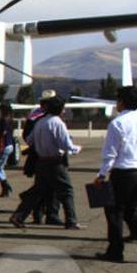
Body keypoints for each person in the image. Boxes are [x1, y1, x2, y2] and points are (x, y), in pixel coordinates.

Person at [93, 86, 137, 262]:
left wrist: (102, 175)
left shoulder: (117, 123)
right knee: (130, 209)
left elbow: (110, 153)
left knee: (114, 212)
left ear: (121, 102)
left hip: (123, 172)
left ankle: (116, 250)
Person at [9, 94, 82, 230]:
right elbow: (65, 144)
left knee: (38, 190)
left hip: (41, 161)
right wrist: (76, 148)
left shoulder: (40, 122)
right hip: (55, 161)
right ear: (60, 109)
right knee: (67, 191)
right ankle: (71, 220)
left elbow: (30, 140)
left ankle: (19, 215)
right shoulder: (58, 123)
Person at [21, 89, 60, 224]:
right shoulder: (40, 118)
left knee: (43, 186)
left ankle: (42, 213)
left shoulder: (35, 117)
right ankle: (48, 214)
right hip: (45, 157)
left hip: (39, 156)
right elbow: (28, 136)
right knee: (49, 187)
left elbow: (26, 136)